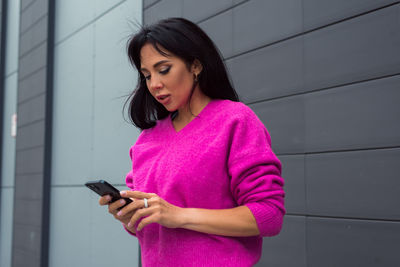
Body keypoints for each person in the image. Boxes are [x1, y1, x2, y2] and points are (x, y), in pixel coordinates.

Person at [99, 17, 285, 266]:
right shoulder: (146, 140)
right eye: (146, 75)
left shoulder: (234, 121)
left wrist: (178, 216)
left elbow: (269, 216)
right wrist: (129, 215)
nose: (155, 84)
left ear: (195, 66)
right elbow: (147, 230)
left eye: (163, 69)